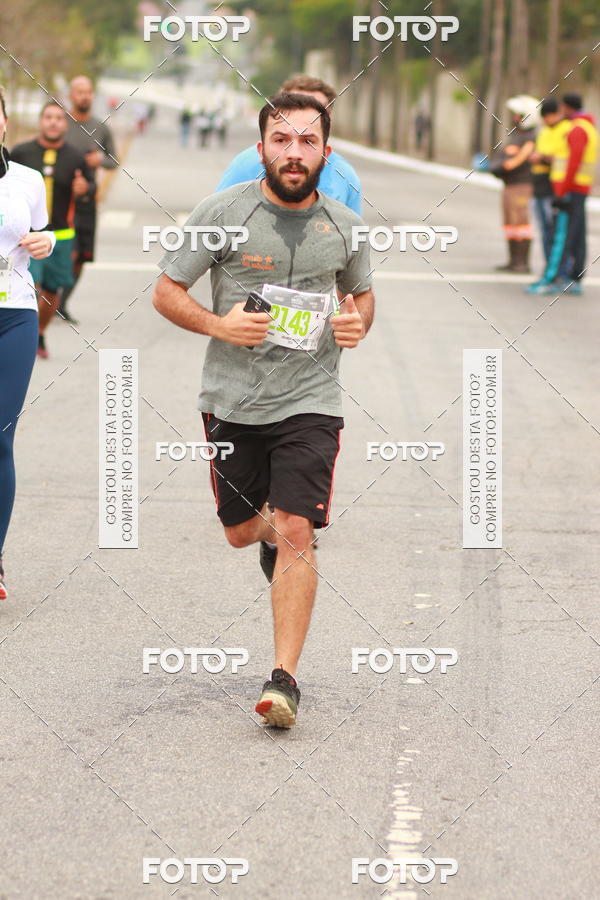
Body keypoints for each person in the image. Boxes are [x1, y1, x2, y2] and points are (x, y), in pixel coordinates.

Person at [153, 92, 374, 728]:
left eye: (307, 141)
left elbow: (361, 298)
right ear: (261, 149)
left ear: (326, 153)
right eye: (282, 140)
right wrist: (219, 325)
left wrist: (357, 324)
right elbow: (166, 291)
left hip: (311, 399)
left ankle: (283, 680)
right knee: (241, 530)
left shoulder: (346, 225)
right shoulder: (222, 213)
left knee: (298, 528)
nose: (294, 152)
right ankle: (269, 532)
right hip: (232, 401)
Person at [0, 86, 55, 599]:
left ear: (4, 121)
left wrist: (46, 241)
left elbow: (45, 233)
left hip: (15, 314)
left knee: (0, 436)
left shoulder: (27, 179)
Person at [11, 101, 92, 358]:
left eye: (58, 118)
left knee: (52, 290)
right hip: (28, 234)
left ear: (65, 124)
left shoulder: (75, 157)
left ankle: (40, 333)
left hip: (61, 234)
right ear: (40, 121)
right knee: (31, 284)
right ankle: (24, 335)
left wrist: (85, 189)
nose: (53, 122)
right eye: (48, 117)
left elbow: (90, 188)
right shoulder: (21, 152)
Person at [216, 75, 362, 214]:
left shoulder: (345, 174)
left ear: (329, 115)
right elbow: (219, 214)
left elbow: (350, 228)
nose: (303, 113)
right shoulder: (245, 164)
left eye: (317, 108)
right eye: (293, 105)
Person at [61, 75, 119, 324]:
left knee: (81, 256)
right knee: (64, 252)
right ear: (71, 95)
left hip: (87, 200)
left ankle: (61, 304)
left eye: (88, 92)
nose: (84, 96)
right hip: (61, 200)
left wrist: (100, 160)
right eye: (80, 92)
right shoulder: (61, 123)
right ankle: (48, 297)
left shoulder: (101, 127)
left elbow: (113, 160)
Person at [528, 92, 597, 295]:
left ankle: (554, 279)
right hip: (580, 188)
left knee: (563, 236)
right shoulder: (588, 127)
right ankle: (574, 279)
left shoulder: (577, 129)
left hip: (570, 189)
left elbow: (573, 163)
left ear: (567, 108)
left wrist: (561, 191)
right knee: (577, 236)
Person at [490, 95, 538, 273]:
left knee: (520, 222)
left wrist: (499, 167)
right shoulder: (517, 135)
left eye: (518, 114)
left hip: (521, 185)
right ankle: (513, 260)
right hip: (510, 185)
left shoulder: (529, 138)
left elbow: (514, 161)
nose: (514, 117)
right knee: (510, 222)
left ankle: (522, 262)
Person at [529, 99, 571, 263]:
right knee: (544, 229)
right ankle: (549, 266)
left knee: (554, 229)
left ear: (554, 114)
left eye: (547, 117)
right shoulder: (544, 130)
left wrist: (543, 157)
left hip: (553, 186)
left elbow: (563, 157)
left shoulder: (566, 129)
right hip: (539, 185)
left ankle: (560, 267)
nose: (545, 121)